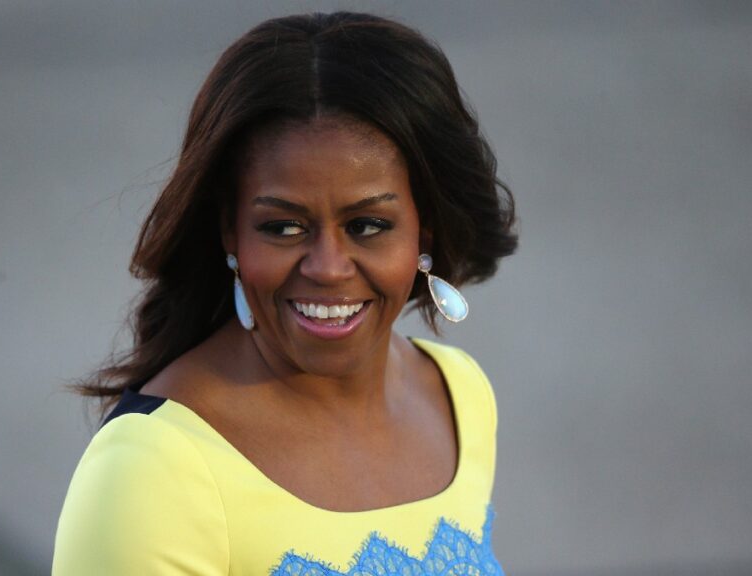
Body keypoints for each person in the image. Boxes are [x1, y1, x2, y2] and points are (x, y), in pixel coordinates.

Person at [53, 11, 517, 575]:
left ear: (427, 229)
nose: (327, 267)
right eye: (283, 227)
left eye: (368, 225)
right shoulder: (150, 472)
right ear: (230, 231)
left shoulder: (459, 397)